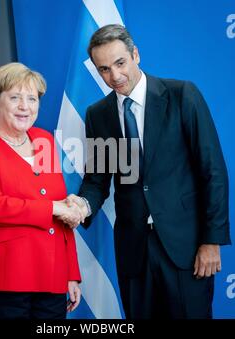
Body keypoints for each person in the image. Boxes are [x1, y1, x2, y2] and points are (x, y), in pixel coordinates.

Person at [67, 24, 231, 319]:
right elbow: (98, 179)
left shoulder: (182, 95)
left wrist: (211, 240)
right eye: (104, 69)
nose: (115, 77)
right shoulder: (99, 114)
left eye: (120, 63)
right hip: (135, 252)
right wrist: (81, 205)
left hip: (187, 248)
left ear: (136, 55)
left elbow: (213, 172)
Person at [0, 62, 82, 319]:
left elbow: (60, 211)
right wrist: (54, 207)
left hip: (51, 278)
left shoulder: (44, 140)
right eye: (15, 98)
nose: (25, 106)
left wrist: (70, 273)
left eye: (32, 99)